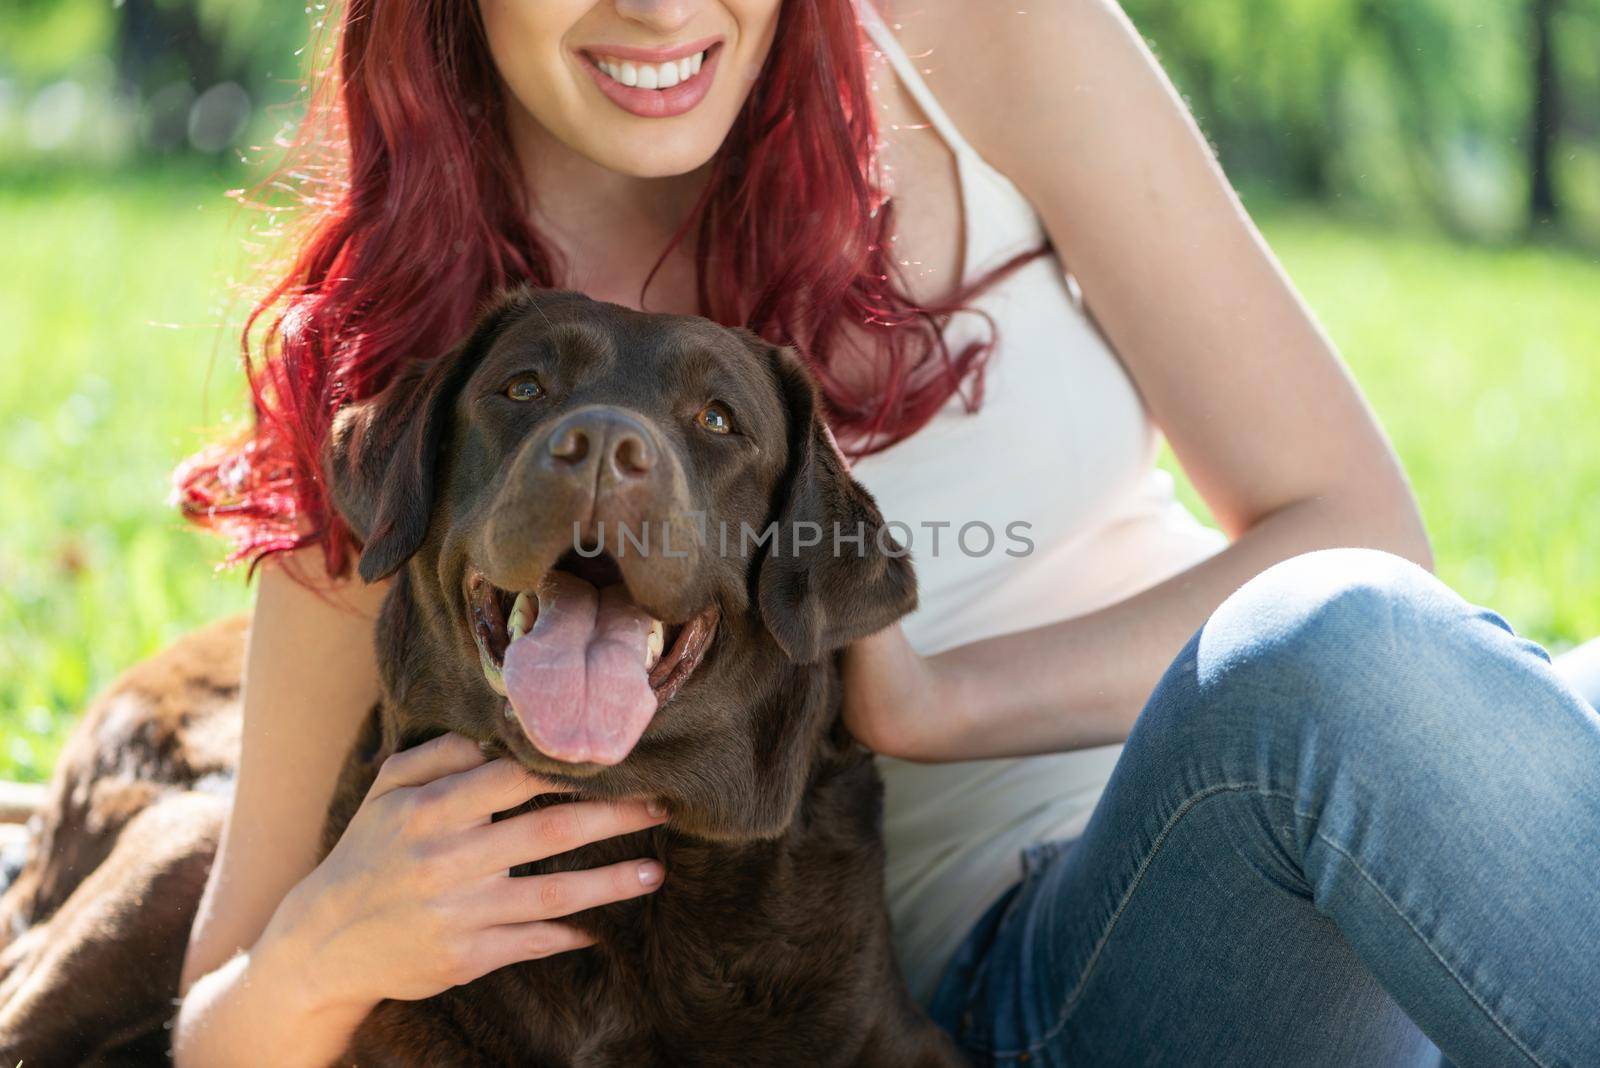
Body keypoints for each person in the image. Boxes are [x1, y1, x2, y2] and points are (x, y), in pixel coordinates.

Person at [170, 1, 1600, 1065]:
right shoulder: (432, 370)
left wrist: (932, 697)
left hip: (1348, 803)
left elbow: (1353, 524)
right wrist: (328, 943)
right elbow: (219, 1012)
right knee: (1342, 657)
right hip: (1048, 978)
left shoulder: (975, 34)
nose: (662, 11)